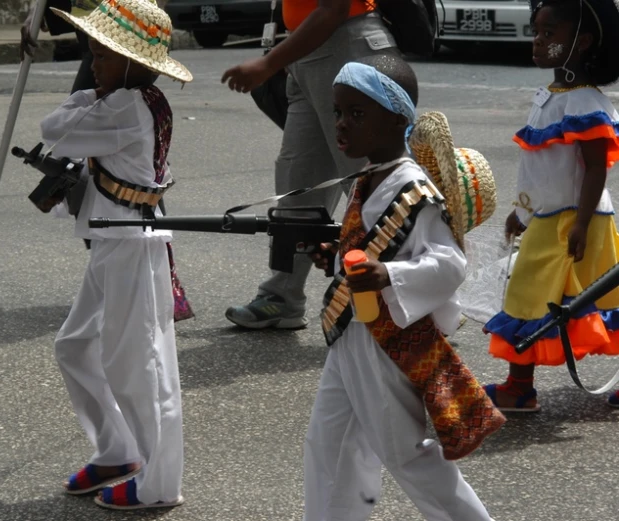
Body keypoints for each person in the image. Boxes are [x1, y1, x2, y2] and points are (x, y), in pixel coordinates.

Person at [305, 59, 505, 521]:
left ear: (397, 119)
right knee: (331, 445)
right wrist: (335, 259)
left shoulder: (412, 187)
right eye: (338, 112)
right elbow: (366, 248)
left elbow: (449, 263)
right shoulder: (371, 176)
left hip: (385, 342)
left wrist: (388, 277)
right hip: (350, 336)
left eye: (357, 113)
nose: (341, 123)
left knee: (408, 457)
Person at [37, 0, 193, 510]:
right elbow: (66, 129)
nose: (93, 63)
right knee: (76, 346)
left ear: (133, 62)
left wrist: (86, 95)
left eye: (102, 55)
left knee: (137, 367)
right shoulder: (125, 98)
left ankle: (158, 483)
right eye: (93, 53)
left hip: (131, 244)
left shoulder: (127, 105)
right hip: (112, 239)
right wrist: (93, 91)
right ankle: (117, 450)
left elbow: (53, 127)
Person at [221, 0, 401, 330]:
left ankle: (419, 295)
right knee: (297, 178)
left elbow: (333, 8)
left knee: (377, 185)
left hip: (346, 46)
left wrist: (267, 64)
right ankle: (282, 296)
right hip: (308, 51)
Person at [482, 0, 619, 412]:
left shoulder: (584, 102)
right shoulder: (551, 96)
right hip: (548, 217)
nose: (537, 42)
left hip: (579, 221)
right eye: (536, 31)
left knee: (603, 300)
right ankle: (520, 387)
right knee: (529, 297)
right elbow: (538, 171)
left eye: (549, 34)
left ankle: (519, 388)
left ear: (584, 42)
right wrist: (520, 212)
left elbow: (596, 169)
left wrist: (580, 224)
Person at [21, 0, 99, 94]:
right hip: (91, 37)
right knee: (80, 101)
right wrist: (38, 11)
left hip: (108, 36)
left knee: (81, 101)